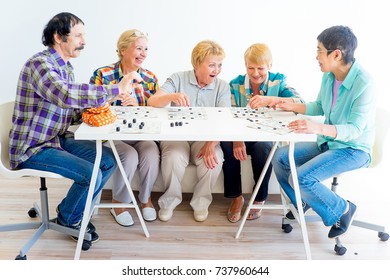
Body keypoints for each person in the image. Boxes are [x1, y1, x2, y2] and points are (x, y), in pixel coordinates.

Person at [9, 12, 137, 249]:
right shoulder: (40, 65)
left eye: (83, 35)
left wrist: (98, 110)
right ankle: (70, 219)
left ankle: (68, 214)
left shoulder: (65, 68)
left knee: (107, 160)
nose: (83, 41)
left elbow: (68, 108)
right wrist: (114, 90)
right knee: (91, 173)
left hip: (55, 139)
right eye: (78, 35)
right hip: (33, 148)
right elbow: (65, 95)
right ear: (58, 36)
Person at [271, 25, 376, 239]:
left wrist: (316, 127)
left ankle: (343, 209)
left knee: (301, 177)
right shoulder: (329, 76)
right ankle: (303, 201)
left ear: (336, 54)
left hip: (354, 149)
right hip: (330, 143)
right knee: (281, 158)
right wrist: (291, 105)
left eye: (319, 50)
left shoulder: (364, 83)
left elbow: (355, 130)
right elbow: (319, 106)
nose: (316, 56)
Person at [147, 40, 231, 222]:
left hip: (206, 138)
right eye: (211, 65)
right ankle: (169, 202)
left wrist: (211, 144)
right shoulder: (178, 78)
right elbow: (153, 101)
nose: (216, 70)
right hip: (177, 136)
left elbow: (224, 120)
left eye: (219, 65)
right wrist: (172, 96)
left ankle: (201, 203)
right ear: (197, 63)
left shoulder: (222, 86)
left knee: (214, 160)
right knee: (173, 158)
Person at [221, 43, 304, 223]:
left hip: (267, 137)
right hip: (241, 134)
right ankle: (236, 198)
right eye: (251, 68)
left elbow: (300, 102)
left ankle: (259, 198)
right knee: (226, 145)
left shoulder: (279, 81)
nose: (256, 73)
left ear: (270, 66)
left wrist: (271, 99)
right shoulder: (235, 84)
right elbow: (231, 115)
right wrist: (237, 140)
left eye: (261, 68)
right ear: (245, 67)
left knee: (263, 147)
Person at [90, 29, 160, 225]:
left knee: (151, 150)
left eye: (146, 49)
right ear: (122, 50)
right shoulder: (102, 75)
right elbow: (88, 108)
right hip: (110, 135)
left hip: (139, 132)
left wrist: (138, 107)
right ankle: (118, 202)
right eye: (139, 48)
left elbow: (155, 111)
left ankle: (145, 199)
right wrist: (113, 97)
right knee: (129, 155)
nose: (144, 53)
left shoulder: (150, 78)